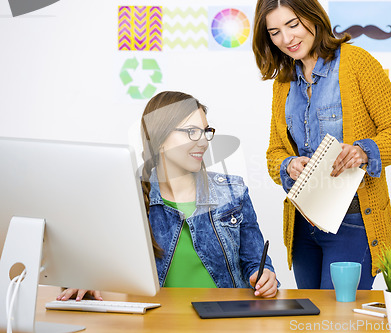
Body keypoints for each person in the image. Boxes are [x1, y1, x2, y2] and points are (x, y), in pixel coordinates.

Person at [252, 0, 391, 290]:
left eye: (292, 24)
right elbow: (273, 153)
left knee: (341, 322)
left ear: (312, 16)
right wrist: (288, 165)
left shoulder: (356, 63)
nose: (286, 39)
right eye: (274, 32)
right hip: (303, 228)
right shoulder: (284, 81)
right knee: (311, 318)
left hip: (354, 223)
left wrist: (363, 151)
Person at [57, 91, 278, 301]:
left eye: (205, 131)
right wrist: (85, 276)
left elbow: (256, 263)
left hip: (223, 319)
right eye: (192, 131)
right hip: (157, 322)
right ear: (159, 138)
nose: (202, 141)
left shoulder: (232, 191)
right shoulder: (128, 198)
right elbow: (96, 258)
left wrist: (265, 275)